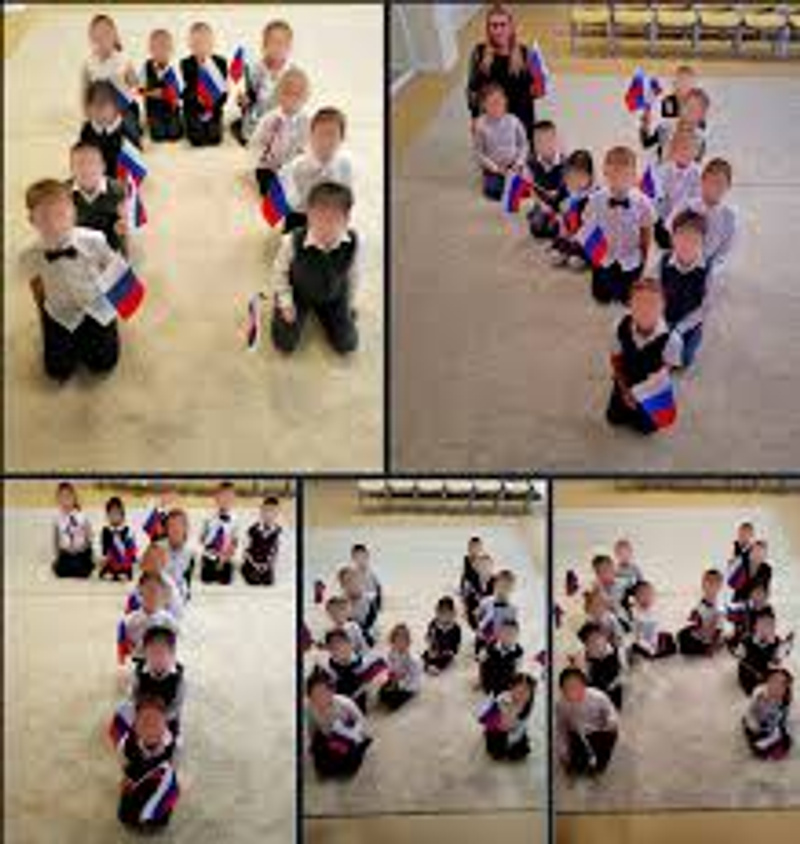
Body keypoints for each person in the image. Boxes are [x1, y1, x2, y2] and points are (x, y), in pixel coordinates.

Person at [24, 180, 123, 382]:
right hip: (60, 311)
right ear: (32, 220)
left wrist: (115, 299)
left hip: (94, 304)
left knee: (103, 363)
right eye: (44, 217)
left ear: (74, 214)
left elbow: (112, 266)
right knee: (57, 370)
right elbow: (35, 283)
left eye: (60, 215)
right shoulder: (31, 253)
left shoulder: (94, 239)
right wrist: (43, 311)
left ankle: (101, 334)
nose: (54, 224)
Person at [270, 181, 360, 355]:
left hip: (334, 294)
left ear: (347, 219)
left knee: (348, 344)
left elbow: (354, 275)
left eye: (333, 220)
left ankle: (325, 312)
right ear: (309, 215)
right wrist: (286, 302)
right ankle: (296, 309)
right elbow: (279, 272)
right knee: (284, 342)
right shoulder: (292, 240)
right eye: (319, 219)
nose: (325, 227)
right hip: (300, 292)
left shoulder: (353, 242)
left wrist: (350, 302)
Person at [606, 278, 682, 435]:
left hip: (650, 386)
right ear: (629, 305)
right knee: (614, 418)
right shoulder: (619, 325)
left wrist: (640, 394)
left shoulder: (673, 340)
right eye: (638, 303)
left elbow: (665, 372)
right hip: (626, 378)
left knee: (645, 428)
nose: (645, 309)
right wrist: (624, 390)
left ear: (663, 306)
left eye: (653, 303)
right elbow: (615, 358)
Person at [582, 146, 655, 304]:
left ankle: (625, 289)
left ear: (634, 176)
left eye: (625, 175)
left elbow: (646, 232)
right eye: (614, 174)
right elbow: (588, 228)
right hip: (605, 256)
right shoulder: (595, 200)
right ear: (605, 173)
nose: (619, 180)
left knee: (627, 297)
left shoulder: (643, 203)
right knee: (601, 296)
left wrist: (644, 258)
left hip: (630, 258)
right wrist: (593, 255)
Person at [466, 4, 538, 138]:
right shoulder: (479, 53)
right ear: (488, 29)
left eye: (503, 25)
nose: (498, 30)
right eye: (494, 25)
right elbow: (473, 90)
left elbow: (532, 90)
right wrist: (475, 118)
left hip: (520, 115)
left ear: (511, 27)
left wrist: (538, 84)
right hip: (493, 115)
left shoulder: (525, 52)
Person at [279, 107, 353, 233]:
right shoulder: (296, 166)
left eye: (332, 135)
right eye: (320, 134)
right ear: (311, 137)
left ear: (342, 139)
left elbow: (346, 197)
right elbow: (280, 204)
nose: (325, 141)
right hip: (301, 215)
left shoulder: (345, 164)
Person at [111, 625, 186, 743]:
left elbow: (177, 706)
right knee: (123, 712)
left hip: (165, 713)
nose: (157, 659)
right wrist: (141, 715)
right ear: (145, 654)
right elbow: (132, 695)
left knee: (171, 741)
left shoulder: (178, 679)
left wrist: (161, 719)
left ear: (172, 655)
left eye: (162, 653)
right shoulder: (139, 673)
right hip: (143, 710)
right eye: (152, 653)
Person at [117, 697, 180, 829]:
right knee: (127, 812)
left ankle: (156, 820)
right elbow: (126, 761)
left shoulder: (172, 744)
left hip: (159, 779)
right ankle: (132, 818)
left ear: (165, 724)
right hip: (136, 776)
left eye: (156, 723)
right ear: (135, 726)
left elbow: (173, 765)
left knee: (160, 811)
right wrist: (126, 777)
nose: (151, 728)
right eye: (145, 722)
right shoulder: (128, 743)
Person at [232, 19, 297, 145]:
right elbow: (250, 94)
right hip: (259, 113)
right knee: (253, 134)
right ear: (264, 46)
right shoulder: (256, 69)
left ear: (289, 47)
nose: (277, 48)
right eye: (273, 43)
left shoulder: (292, 71)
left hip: (283, 114)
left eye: (282, 43)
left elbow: (299, 96)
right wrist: (243, 100)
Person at [249, 67, 310, 197]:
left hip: (292, 166)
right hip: (269, 165)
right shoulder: (269, 118)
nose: (292, 99)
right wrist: (262, 153)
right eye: (287, 93)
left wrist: (300, 159)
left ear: (306, 98)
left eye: (297, 95)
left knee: (304, 182)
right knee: (267, 183)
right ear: (278, 95)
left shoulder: (307, 122)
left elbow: (309, 147)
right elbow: (255, 141)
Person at [659, 209, 709, 368]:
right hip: (665, 315)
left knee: (684, 360)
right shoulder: (664, 261)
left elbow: (705, 307)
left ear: (702, 242)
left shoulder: (708, 270)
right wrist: (661, 321)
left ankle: (692, 337)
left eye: (694, 239)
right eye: (681, 236)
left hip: (689, 320)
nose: (686, 243)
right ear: (672, 238)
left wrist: (679, 329)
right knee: (653, 352)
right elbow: (654, 291)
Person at [82, 13, 141, 137]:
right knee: (94, 132)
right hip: (101, 107)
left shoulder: (123, 59)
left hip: (124, 107)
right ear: (92, 39)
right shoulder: (90, 63)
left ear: (114, 36)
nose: (102, 41)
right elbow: (86, 88)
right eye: (97, 38)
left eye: (106, 34)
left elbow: (134, 83)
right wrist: (87, 109)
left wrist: (133, 82)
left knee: (130, 134)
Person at [306, 667, 371, 779]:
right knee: (321, 762)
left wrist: (357, 736)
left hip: (347, 736)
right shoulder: (310, 708)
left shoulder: (344, 703)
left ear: (332, 691)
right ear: (309, 697)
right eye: (314, 695)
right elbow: (311, 727)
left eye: (323, 693)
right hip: (329, 737)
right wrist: (312, 742)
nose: (319, 698)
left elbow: (361, 721)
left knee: (349, 766)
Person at [556, 667, 618, 775]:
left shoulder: (598, 697)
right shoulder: (561, 704)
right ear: (562, 690)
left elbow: (611, 712)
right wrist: (563, 748)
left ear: (584, 685)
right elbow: (561, 728)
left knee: (609, 739)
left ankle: (600, 764)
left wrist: (611, 722)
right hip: (577, 734)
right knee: (574, 767)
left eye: (576, 686)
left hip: (599, 730)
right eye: (567, 688)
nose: (572, 691)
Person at [472, 83, 528, 201]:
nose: (496, 107)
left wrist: (518, 163)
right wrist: (495, 168)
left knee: (526, 189)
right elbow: (479, 153)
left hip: (513, 164)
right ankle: (498, 181)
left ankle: (512, 182)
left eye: (499, 102)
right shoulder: (480, 126)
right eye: (492, 104)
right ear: (483, 105)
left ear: (505, 102)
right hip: (495, 167)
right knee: (493, 192)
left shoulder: (514, 121)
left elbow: (523, 144)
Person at [69, 141, 126, 254]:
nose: (86, 169)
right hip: (78, 249)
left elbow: (122, 222)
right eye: (80, 163)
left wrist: (121, 224)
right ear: (71, 168)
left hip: (108, 247)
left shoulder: (117, 190)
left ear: (103, 167)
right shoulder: (64, 193)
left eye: (92, 163)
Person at [79, 80, 142, 178]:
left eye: (105, 107)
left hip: (120, 173)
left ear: (116, 107)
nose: (101, 113)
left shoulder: (125, 130)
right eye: (95, 107)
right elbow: (84, 152)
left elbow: (135, 163)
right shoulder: (87, 129)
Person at [653, 127, 702, 250]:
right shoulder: (663, 170)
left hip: (687, 219)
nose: (684, 152)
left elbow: (694, 200)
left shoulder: (698, 173)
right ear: (672, 150)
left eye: (689, 148)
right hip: (665, 217)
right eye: (679, 148)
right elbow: (658, 196)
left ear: (696, 152)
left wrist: (675, 219)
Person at [180, 21, 227, 146]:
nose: (201, 47)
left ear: (212, 44)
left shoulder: (220, 63)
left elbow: (223, 90)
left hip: (213, 107)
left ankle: (211, 125)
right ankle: (192, 126)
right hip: (194, 108)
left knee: (214, 139)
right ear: (190, 45)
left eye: (205, 43)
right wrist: (197, 98)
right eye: (196, 43)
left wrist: (213, 104)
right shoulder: (185, 64)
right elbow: (185, 90)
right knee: (197, 140)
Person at [548, 149, 595, 269]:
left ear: (589, 176)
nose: (576, 180)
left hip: (584, 237)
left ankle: (580, 255)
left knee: (575, 262)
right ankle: (566, 249)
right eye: (572, 175)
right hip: (566, 234)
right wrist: (559, 214)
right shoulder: (565, 189)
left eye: (581, 176)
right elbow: (555, 208)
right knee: (555, 258)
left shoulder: (593, 195)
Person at [480, 672, 536, 761]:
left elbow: (522, 724)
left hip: (514, 729)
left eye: (527, 692)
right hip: (497, 728)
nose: (524, 696)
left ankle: (510, 745)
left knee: (518, 752)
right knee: (497, 753)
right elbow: (499, 722)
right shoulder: (503, 699)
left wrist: (513, 738)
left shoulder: (526, 704)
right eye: (520, 692)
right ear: (511, 688)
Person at [737, 608, 793, 696]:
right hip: (750, 675)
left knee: (783, 678)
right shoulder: (747, 640)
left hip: (766, 672)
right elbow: (740, 657)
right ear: (755, 626)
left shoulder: (775, 641)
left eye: (770, 625)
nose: (766, 628)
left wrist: (785, 646)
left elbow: (778, 658)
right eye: (762, 625)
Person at [141, 29, 184, 142]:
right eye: (157, 48)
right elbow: (139, 89)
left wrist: (171, 95)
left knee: (175, 134)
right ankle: (155, 124)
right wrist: (150, 93)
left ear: (172, 50)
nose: (161, 51)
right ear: (151, 49)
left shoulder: (174, 68)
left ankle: (175, 123)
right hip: (154, 109)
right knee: (158, 135)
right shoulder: (146, 67)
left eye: (165, 48)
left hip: (171, 109)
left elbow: (180, 91)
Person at [742, 668, 793, 760]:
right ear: (767, 681)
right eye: (773, 681)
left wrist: (778, 727)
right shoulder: (759, 694)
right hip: (757, 725)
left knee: (785, 740)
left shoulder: (784, 699)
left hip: (773, 725)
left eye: (782, 684)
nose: (776, 686)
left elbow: (782, 719)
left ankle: (774, 747)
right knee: (759, 743)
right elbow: (752, 715)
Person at [526, 120, 564, 239]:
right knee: (536, 229)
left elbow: (569, 189)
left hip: (561, 203)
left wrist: (558, 206)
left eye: (548, 141)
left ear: (555, 141)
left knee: (560, 228)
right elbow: (531, 189)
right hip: (542, 202)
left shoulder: (565, 162)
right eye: (538, 142)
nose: (543, 146)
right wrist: (541, 204)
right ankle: (536, 213)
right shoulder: (531, 163)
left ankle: (550, 222)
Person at [677, 568, 725, 655]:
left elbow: (719, 628)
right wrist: (694, 620)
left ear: (719, 586)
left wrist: (712, 643)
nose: (710, 585)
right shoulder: (701, 603)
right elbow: (694, 621)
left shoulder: (719, 607)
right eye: (707, 582)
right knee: (682, 635)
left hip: (708, 638)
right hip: (700, 633)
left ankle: (705, 648)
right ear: (703, 585)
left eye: (713, 583)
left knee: (688, 642)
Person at [51, 481, 94, 578]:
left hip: (81, 551)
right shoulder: (58, 518)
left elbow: (89, 536)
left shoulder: (82, 516)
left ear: (74, 498)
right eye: (62, 498)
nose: (65, 501)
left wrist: (84, 547)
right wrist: (58, 554)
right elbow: (56, 539)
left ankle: (86, 564)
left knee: (82, 570)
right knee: (61, 571)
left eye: (68, 497)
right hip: (66, 552)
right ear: (58, 500)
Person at [200, 482, 239, 585]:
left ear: (233, 499)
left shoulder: (235, 519)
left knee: (225, 580)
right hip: (210, 554)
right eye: (222, 496)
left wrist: (226, 556)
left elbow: (235, 541)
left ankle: (225, 567)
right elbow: (202, 538)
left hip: (225, 555)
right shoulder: (208, 517)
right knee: (207, 579)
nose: (226, 500)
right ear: (216, 498)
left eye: (229, 497)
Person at [579, 622, 623, 710]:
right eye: (590, 642)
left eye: (597, 638)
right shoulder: (588, 662)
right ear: (586, 646)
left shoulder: (619, 653)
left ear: (605, 638)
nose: (596, 643)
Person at [379, 623, 422, 710]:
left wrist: (399, 684)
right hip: (396, 678)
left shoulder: (413, 658)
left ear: (408, 642)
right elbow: (390, 666)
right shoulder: (392, 653)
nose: (399, 644)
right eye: (396, 641)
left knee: (393, 702)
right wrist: (392, 677)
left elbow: (413, 677)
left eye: (402, 640)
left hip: (409, 684)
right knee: (382, 694)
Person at [630, 581, 676, 659]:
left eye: (650, 594)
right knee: (636, 646)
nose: (647, 598)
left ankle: (655, 651)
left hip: (656, 641)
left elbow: (660, 628)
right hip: (643, 643)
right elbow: (637, 635)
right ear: (636, 598)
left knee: (668, 637)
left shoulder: (656, 611)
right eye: (643, 595)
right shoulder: (635, 613)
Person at [241, 496, 282, 585]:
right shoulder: (252, 529)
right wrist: (255, 564)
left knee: (268, 582)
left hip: (266, 565)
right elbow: (245, 550)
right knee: (253, 581)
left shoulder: (278, 531)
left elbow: (275, 552)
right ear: (261, 511)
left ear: (277, 513)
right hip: (251, 564)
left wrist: (267, 565)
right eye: (266, 510)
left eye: (272, 511)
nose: (269, 514)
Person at [479, 618, 523, 695]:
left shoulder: (518, 652)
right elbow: (482, 664)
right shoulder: (490, 647)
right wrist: (482, 682)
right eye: (505, 632)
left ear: (517, 636)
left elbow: (517, 670)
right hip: (489, 682)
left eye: (512, 634)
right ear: (499, 634)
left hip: (506, 687)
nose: (508, 636)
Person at [100, 495, 137, 580]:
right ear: (107, 516)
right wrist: (105, 558)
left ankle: (122, 573)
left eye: (117, 513)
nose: (114, 516)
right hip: (110, 561)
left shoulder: (128, 531)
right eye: (111, 514)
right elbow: (104, 548)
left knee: (126, 570)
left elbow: (132, 550)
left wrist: (128, 560)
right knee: (106, 573)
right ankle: (112, 573)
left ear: (122, 515)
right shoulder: (106, 531)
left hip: (124, 562)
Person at [422, 595, 462, 673]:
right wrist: (431, 645)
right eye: (442, 612)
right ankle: (427, 665)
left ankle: (438, 667)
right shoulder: (434, 624)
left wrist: (451, 650)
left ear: (452, 613)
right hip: (436, 647)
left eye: (447, 613)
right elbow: (430, 636)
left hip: (447, 650)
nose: (444, 616)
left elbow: (457, 642)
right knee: (427, 655)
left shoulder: (455, 628)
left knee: (445, 658)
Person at [461, 538, 494, 629]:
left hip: (487, 606)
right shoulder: (467, 562)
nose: (485, 569)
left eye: (487, 567)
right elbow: (468, 591)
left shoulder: (493, 581)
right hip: (475, 603)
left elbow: (493, 599)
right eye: (482, 567)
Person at [164, 509, 195, 602]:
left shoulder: (192, 552)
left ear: (186, 528)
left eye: (179, 525)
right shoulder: (156, 551)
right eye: (172, 525)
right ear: (166, 529)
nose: (176, 529)